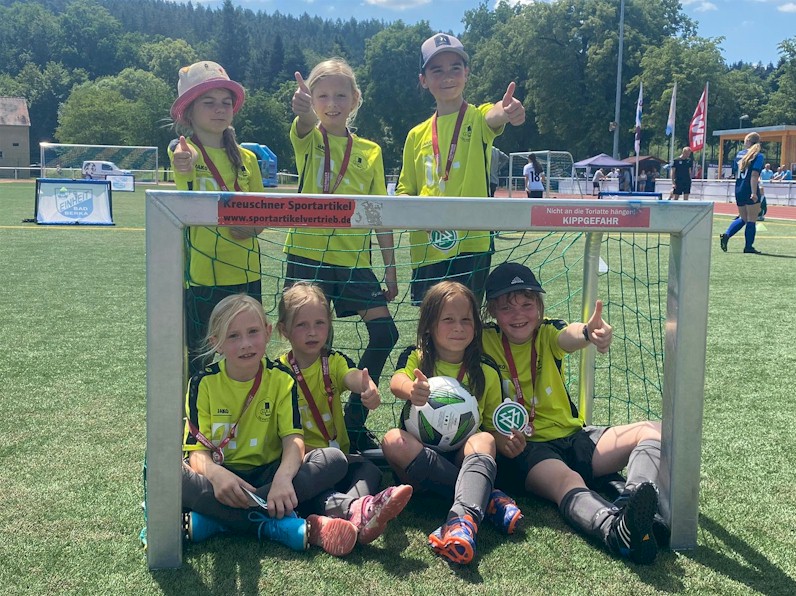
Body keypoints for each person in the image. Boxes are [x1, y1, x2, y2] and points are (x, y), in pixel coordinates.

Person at [480, 262, 665, 565]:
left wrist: (589, 333)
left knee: (654, 430)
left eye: (527, 305)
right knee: (569, 481)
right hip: (529, 449)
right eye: (506, 308)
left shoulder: (547, 332)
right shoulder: (484, 341)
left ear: (539, 308)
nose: (518, 316)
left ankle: (632, 504)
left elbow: (569, 336)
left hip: (574, 436)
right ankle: (614, 531)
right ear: (492, 312)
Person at [181, 294, 361, 556]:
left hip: (269, 474)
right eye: (233, 336)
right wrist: (215, 474)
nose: (245, 344)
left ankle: (218, 520)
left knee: (333, 459)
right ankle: (273, 525)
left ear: (267, 332)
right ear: (216, 343)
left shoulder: (282, 378)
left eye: (253, 332)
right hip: (221, 479)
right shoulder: (202, 382)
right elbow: (196, 451)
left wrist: (283, 479)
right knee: (164, 472)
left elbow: (293, 440)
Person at [287, 58, 399, 453]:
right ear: (311, 100)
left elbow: (379, 212)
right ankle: (303, 426)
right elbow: (301, 128)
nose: (331, 103)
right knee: (311, 344)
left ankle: (353, 420)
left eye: (340, 95)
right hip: (306, 258)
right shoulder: (308, 137)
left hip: (354, 262)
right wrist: (301, 116)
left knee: (386, 332)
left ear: (355, 99)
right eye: (322, 96)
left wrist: (390, 268)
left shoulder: (370, 150)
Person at [381, 281, 523, 565]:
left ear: (476, 326)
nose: (458, 327)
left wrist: (506, 440)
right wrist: (410, 390)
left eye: (466, 320)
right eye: (448, 319)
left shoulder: (485, 370)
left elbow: (493, 424)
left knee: (483, 439)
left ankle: (462, 521)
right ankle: (486, 498)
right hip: (417, 463)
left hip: (462, 457)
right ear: (430, 326)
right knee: (391, 441)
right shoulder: (417, 356)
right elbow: (396, 381)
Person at [276, 282, 413, 549]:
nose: (313, 332)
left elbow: (353, 377)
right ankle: (355, 510)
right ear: (284, 330)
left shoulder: (333, 361)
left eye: (320, 323)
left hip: (339, 459)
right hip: (301, 464)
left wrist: (367, 388)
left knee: (369, 469)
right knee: (322, 475)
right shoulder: (276, 372)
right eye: (302, 325)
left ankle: (348, 517)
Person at [396, 33, 525, 306]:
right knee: (429, 328)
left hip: (472, 245)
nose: (447, 76)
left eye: (455, 68)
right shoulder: (415, 135)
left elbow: (495, 115)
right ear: (423, 80)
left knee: (467, 324)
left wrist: (507, 109)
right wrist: (419, 215)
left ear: (467, 73)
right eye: (437, 70)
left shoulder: (477, 118)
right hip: (427, 248)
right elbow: (405, 192)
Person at [169, 61, 265, 376]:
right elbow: (185, 172)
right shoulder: (185, 153)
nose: (219, 109)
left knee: (248, 358)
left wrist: (250, 227)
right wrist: (184, 162)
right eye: (208, 103)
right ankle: (197, 422)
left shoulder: (248, 159)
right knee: (201, 360)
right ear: (189, 112)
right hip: (202, 280)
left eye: (226, 103)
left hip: (246, 275)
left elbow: (263, 213)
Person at [720, 132, 765, 254]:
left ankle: (727, 235)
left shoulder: (739, 154)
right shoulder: (758, 156)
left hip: (739, 188)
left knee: (743, 218)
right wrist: (754, 192)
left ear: (748, 142)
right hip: (749, 188)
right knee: (751, 219)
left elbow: (736, 172)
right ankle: (748, 246)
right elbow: (754, 175)